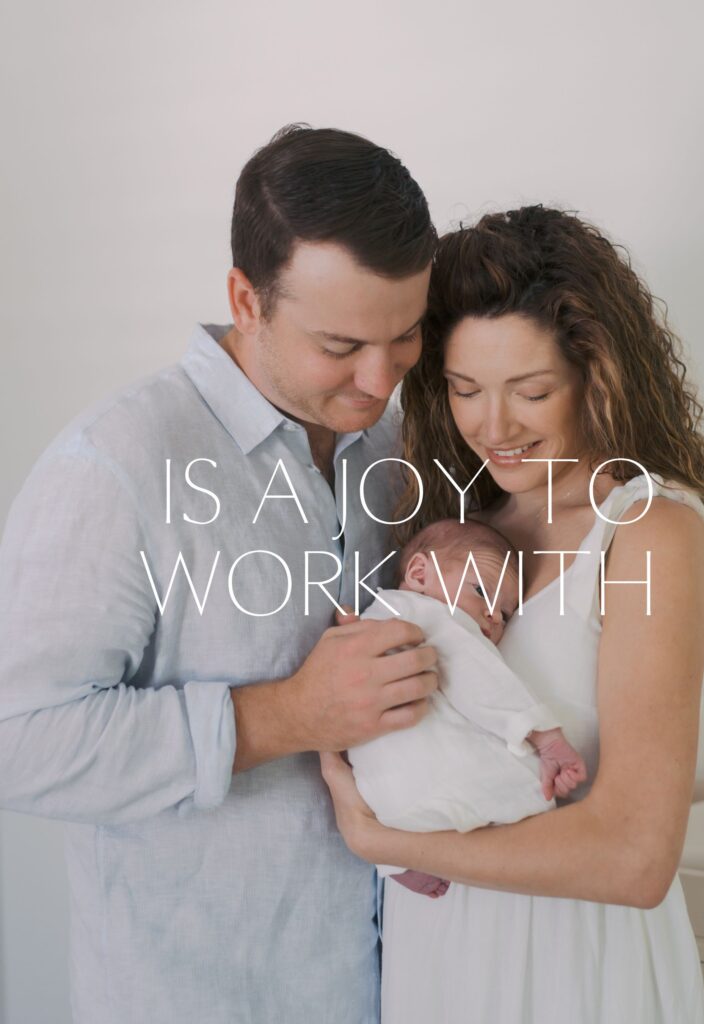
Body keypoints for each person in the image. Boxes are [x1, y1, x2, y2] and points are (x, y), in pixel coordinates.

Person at [0, 125, 440, 1024]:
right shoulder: (117, 462)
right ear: (245, 299)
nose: (377, 378)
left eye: (405, 338)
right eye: (339, 344)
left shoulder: (401, 449)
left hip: (399, 993)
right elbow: (17, 739)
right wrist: (284, 715)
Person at [321, 205, 704, 1023]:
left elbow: (635, 857)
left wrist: (385, 845)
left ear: (598, 375)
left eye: (531, 391)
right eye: (464, 389)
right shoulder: (460, 529)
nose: (493, 426)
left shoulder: (648, 531)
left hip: (572, 968)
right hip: (439, 959)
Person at [348, 518, 586, 894]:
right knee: (541, 794)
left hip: (388, 806)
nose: (493, 617)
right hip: (450, 789)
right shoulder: (422, 614)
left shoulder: (370, 620)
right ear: (419, 573)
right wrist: (546, 738)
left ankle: (398, 863)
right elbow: (480, 678)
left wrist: (392, 861)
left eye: (506, 615)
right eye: (482, 592)